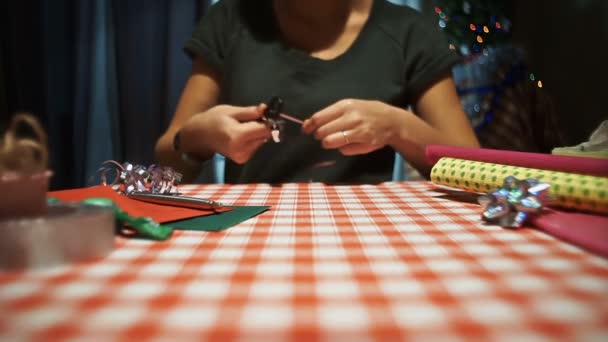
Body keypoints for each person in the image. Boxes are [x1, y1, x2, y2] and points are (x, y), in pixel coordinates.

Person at [154, 0, 479, 184]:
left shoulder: (407, 30)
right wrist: (198, 137)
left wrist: (398, 127)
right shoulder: (229, 20)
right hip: (251, 233)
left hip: (367, 234)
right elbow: (168, 155)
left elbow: (474, 168)